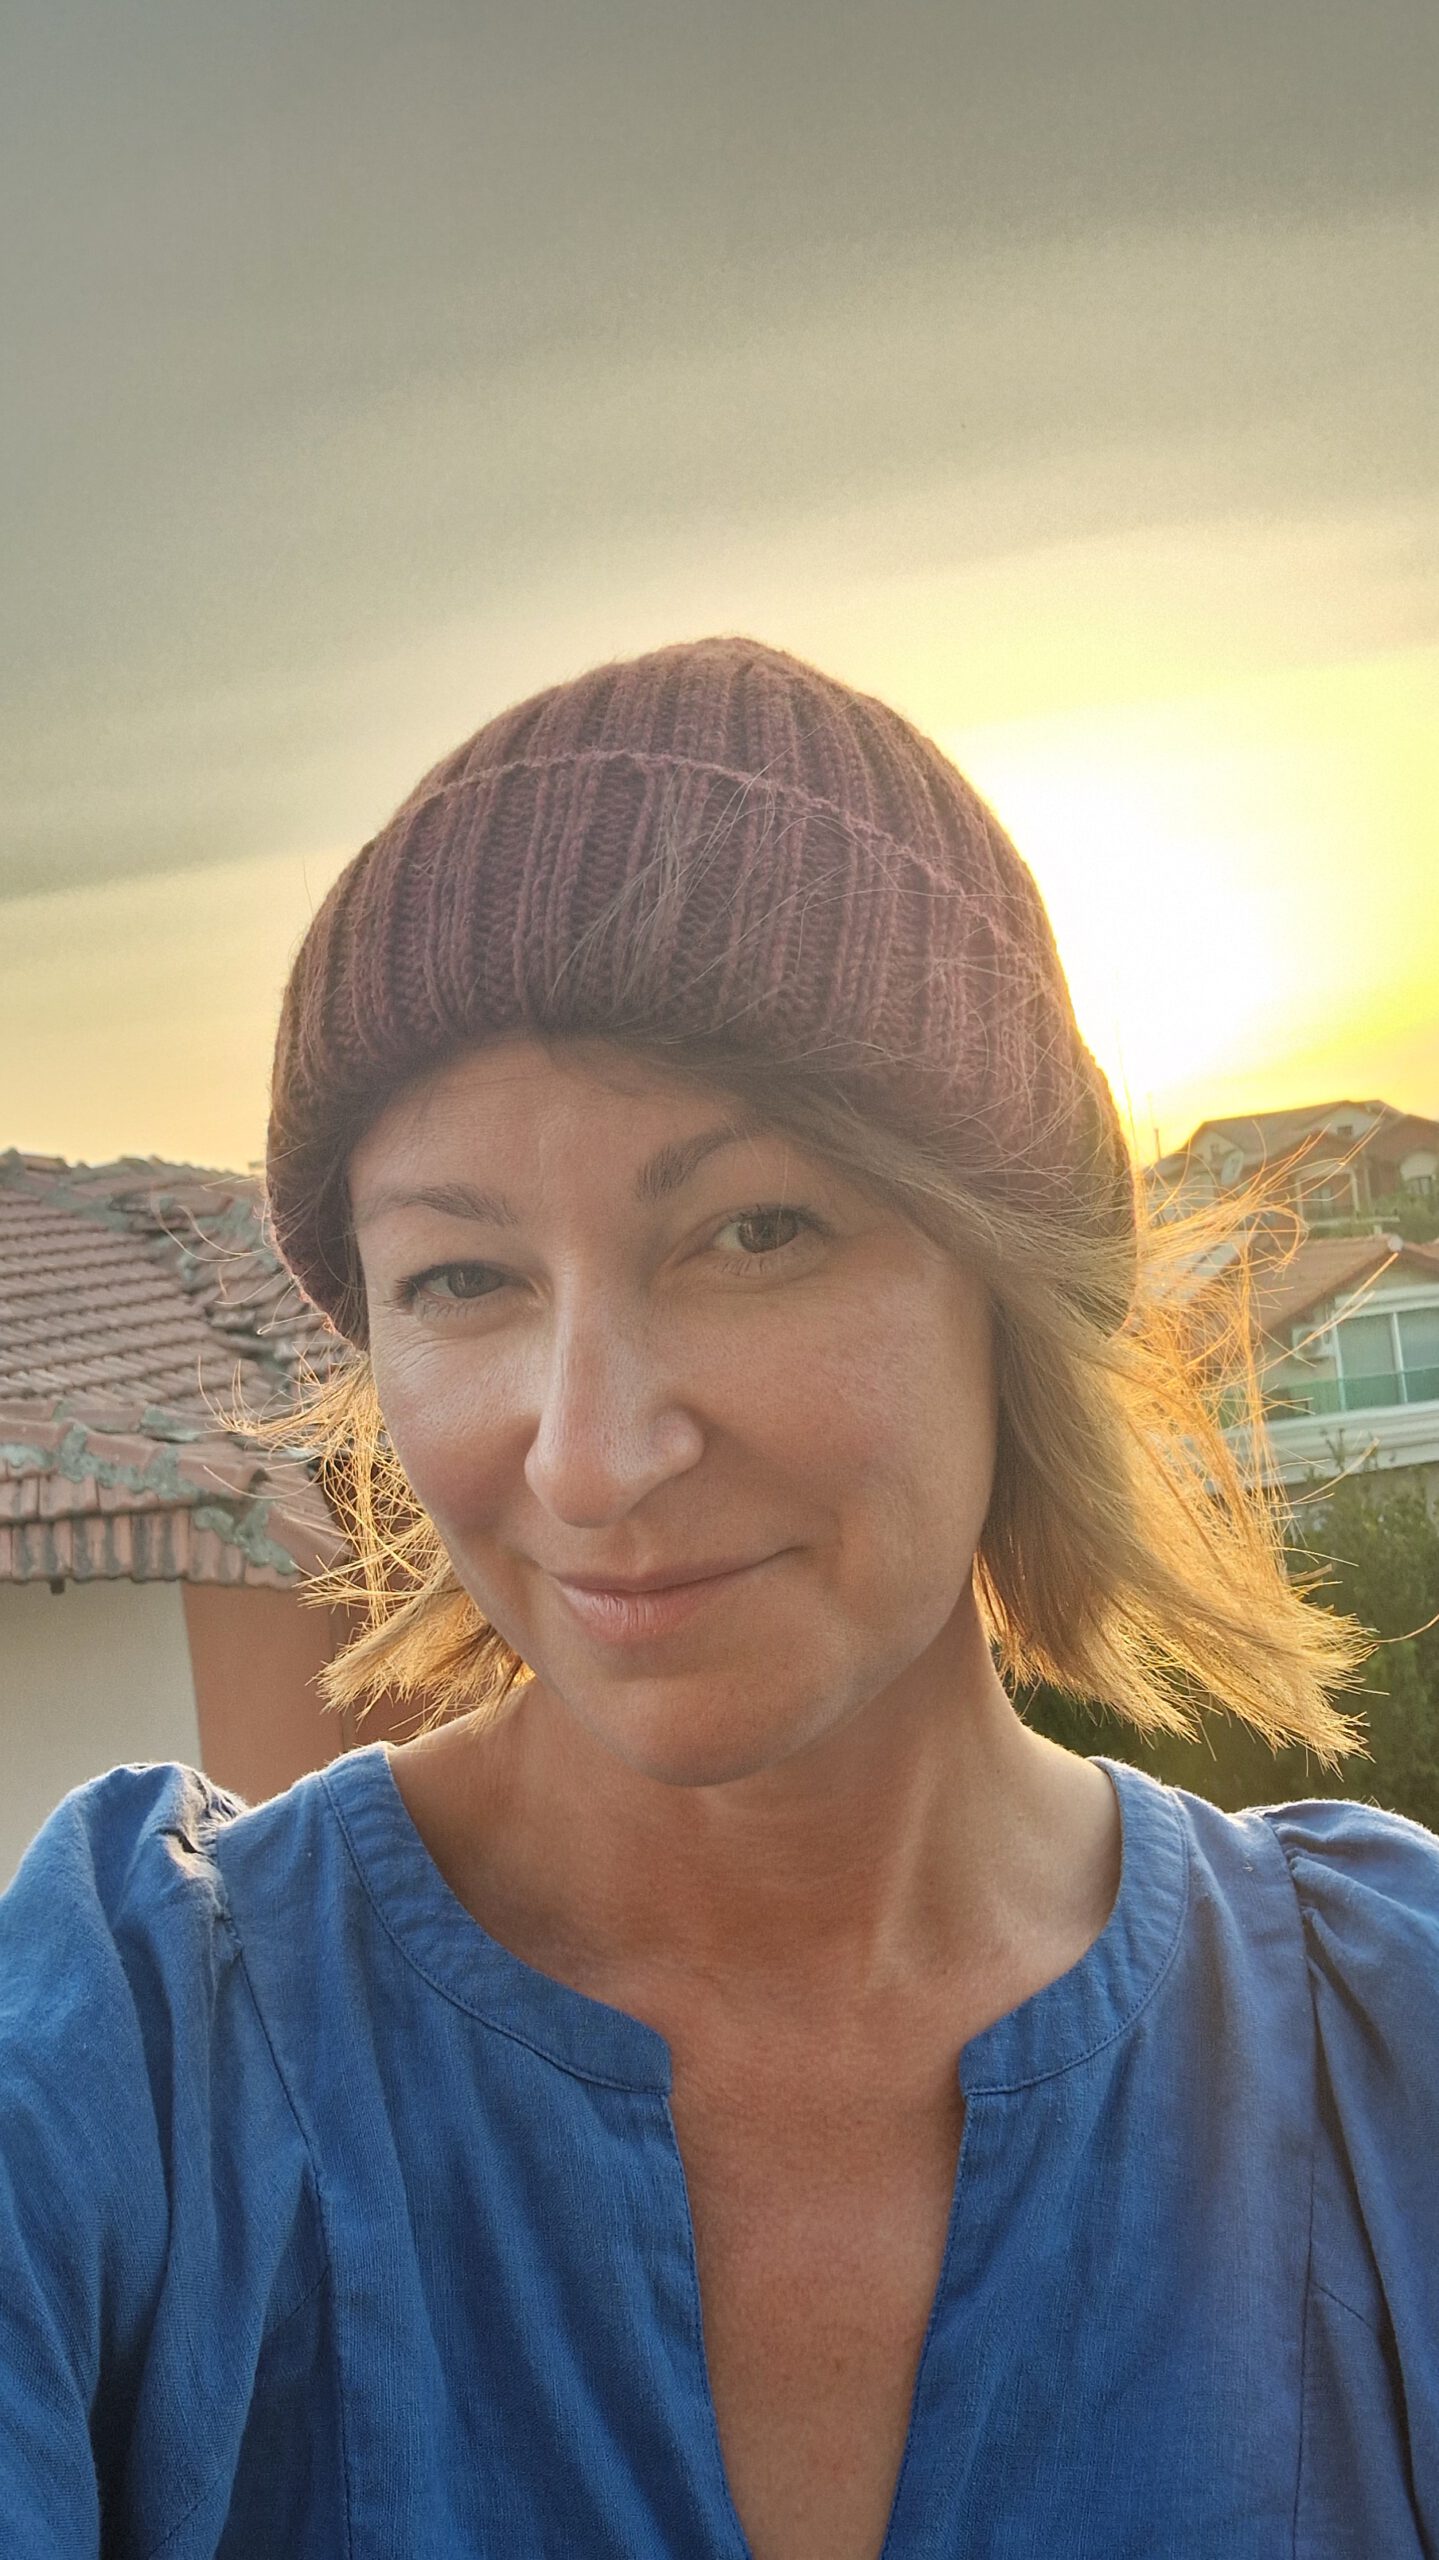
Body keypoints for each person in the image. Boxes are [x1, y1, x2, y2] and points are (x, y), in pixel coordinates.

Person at [1, 637, 1435, 2560]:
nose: (591, 1458)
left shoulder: (1386, 2054)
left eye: (757, 1233)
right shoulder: (130, 2068)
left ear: (1021, 1280)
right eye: (461, 1279)